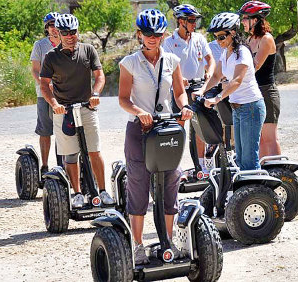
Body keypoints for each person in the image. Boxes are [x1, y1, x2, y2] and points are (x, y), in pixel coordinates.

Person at [118, 9, 193, 264]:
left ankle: (167, 241)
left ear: (163, 35)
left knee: (171, 181)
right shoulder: (129, 63)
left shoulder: (172, 60)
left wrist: (184, 107)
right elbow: (123, 99)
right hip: (139, 129)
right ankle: (137, 245)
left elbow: (180, 93)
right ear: (140, 34)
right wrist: (139, 112)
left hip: (166, 126)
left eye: (157, 34)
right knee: (138, 185)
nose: (152, 38)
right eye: (148, 33)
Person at [39, 14, 114, 208]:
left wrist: (96, 93)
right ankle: (78, 193)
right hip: (64, 111)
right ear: (59, 33)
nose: (70, 36)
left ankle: (103, 191)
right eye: (65, 33)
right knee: (71, 155)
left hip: (87, 107)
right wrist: (54, 104)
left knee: (94, 151)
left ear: (77, 31)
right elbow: (44, 84)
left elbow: (99, 76)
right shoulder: (51, 57)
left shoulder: (88, 50)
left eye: (73, 32)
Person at [195, 12, 266, 171]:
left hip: (251, 107)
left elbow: (236, 81)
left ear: (233, 32)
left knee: (249, 159)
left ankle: (257, 194)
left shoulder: (242, 52)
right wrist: (202, 91)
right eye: (215, 37)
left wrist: (217, 98)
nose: (218, 41)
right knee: (240, 157)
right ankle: (247, 193)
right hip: (238, 109)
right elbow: (216, 76)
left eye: (221, 37)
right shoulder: (226, 52)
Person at [163, 4, 215, 173]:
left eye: (195, 20)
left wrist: (210, 73)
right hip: (180, 90)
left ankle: (202, 167)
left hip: (199, 87)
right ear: (180, 21)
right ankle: (175, 168)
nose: (194, 24)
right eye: (191, 20)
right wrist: (178, 79)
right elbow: (166, 67)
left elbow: (210, 60)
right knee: (179, 128)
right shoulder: (169, 42)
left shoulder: (199, 38)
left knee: (200, 127)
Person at [239, 1, 281, 157]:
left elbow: (254, 66)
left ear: (255, 20)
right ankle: (264, 173)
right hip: (254, 92)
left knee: (270, 138)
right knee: (261, 139)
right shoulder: (250, 40)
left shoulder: (266, 39)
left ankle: (278, 173)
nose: (242, 22)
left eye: (245, 18)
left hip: (267, 92)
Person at [30, 12, 61, 175]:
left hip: (64, 95)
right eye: (51, 25)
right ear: (46, 28)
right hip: (45, 94)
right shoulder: (40, 45)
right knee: (45, 131)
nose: (54, 28)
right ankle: (44, 165)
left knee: (63, 132)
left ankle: (62, 166)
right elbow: (35, 70)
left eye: (56, 24)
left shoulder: (67, 43)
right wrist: (45, 84)